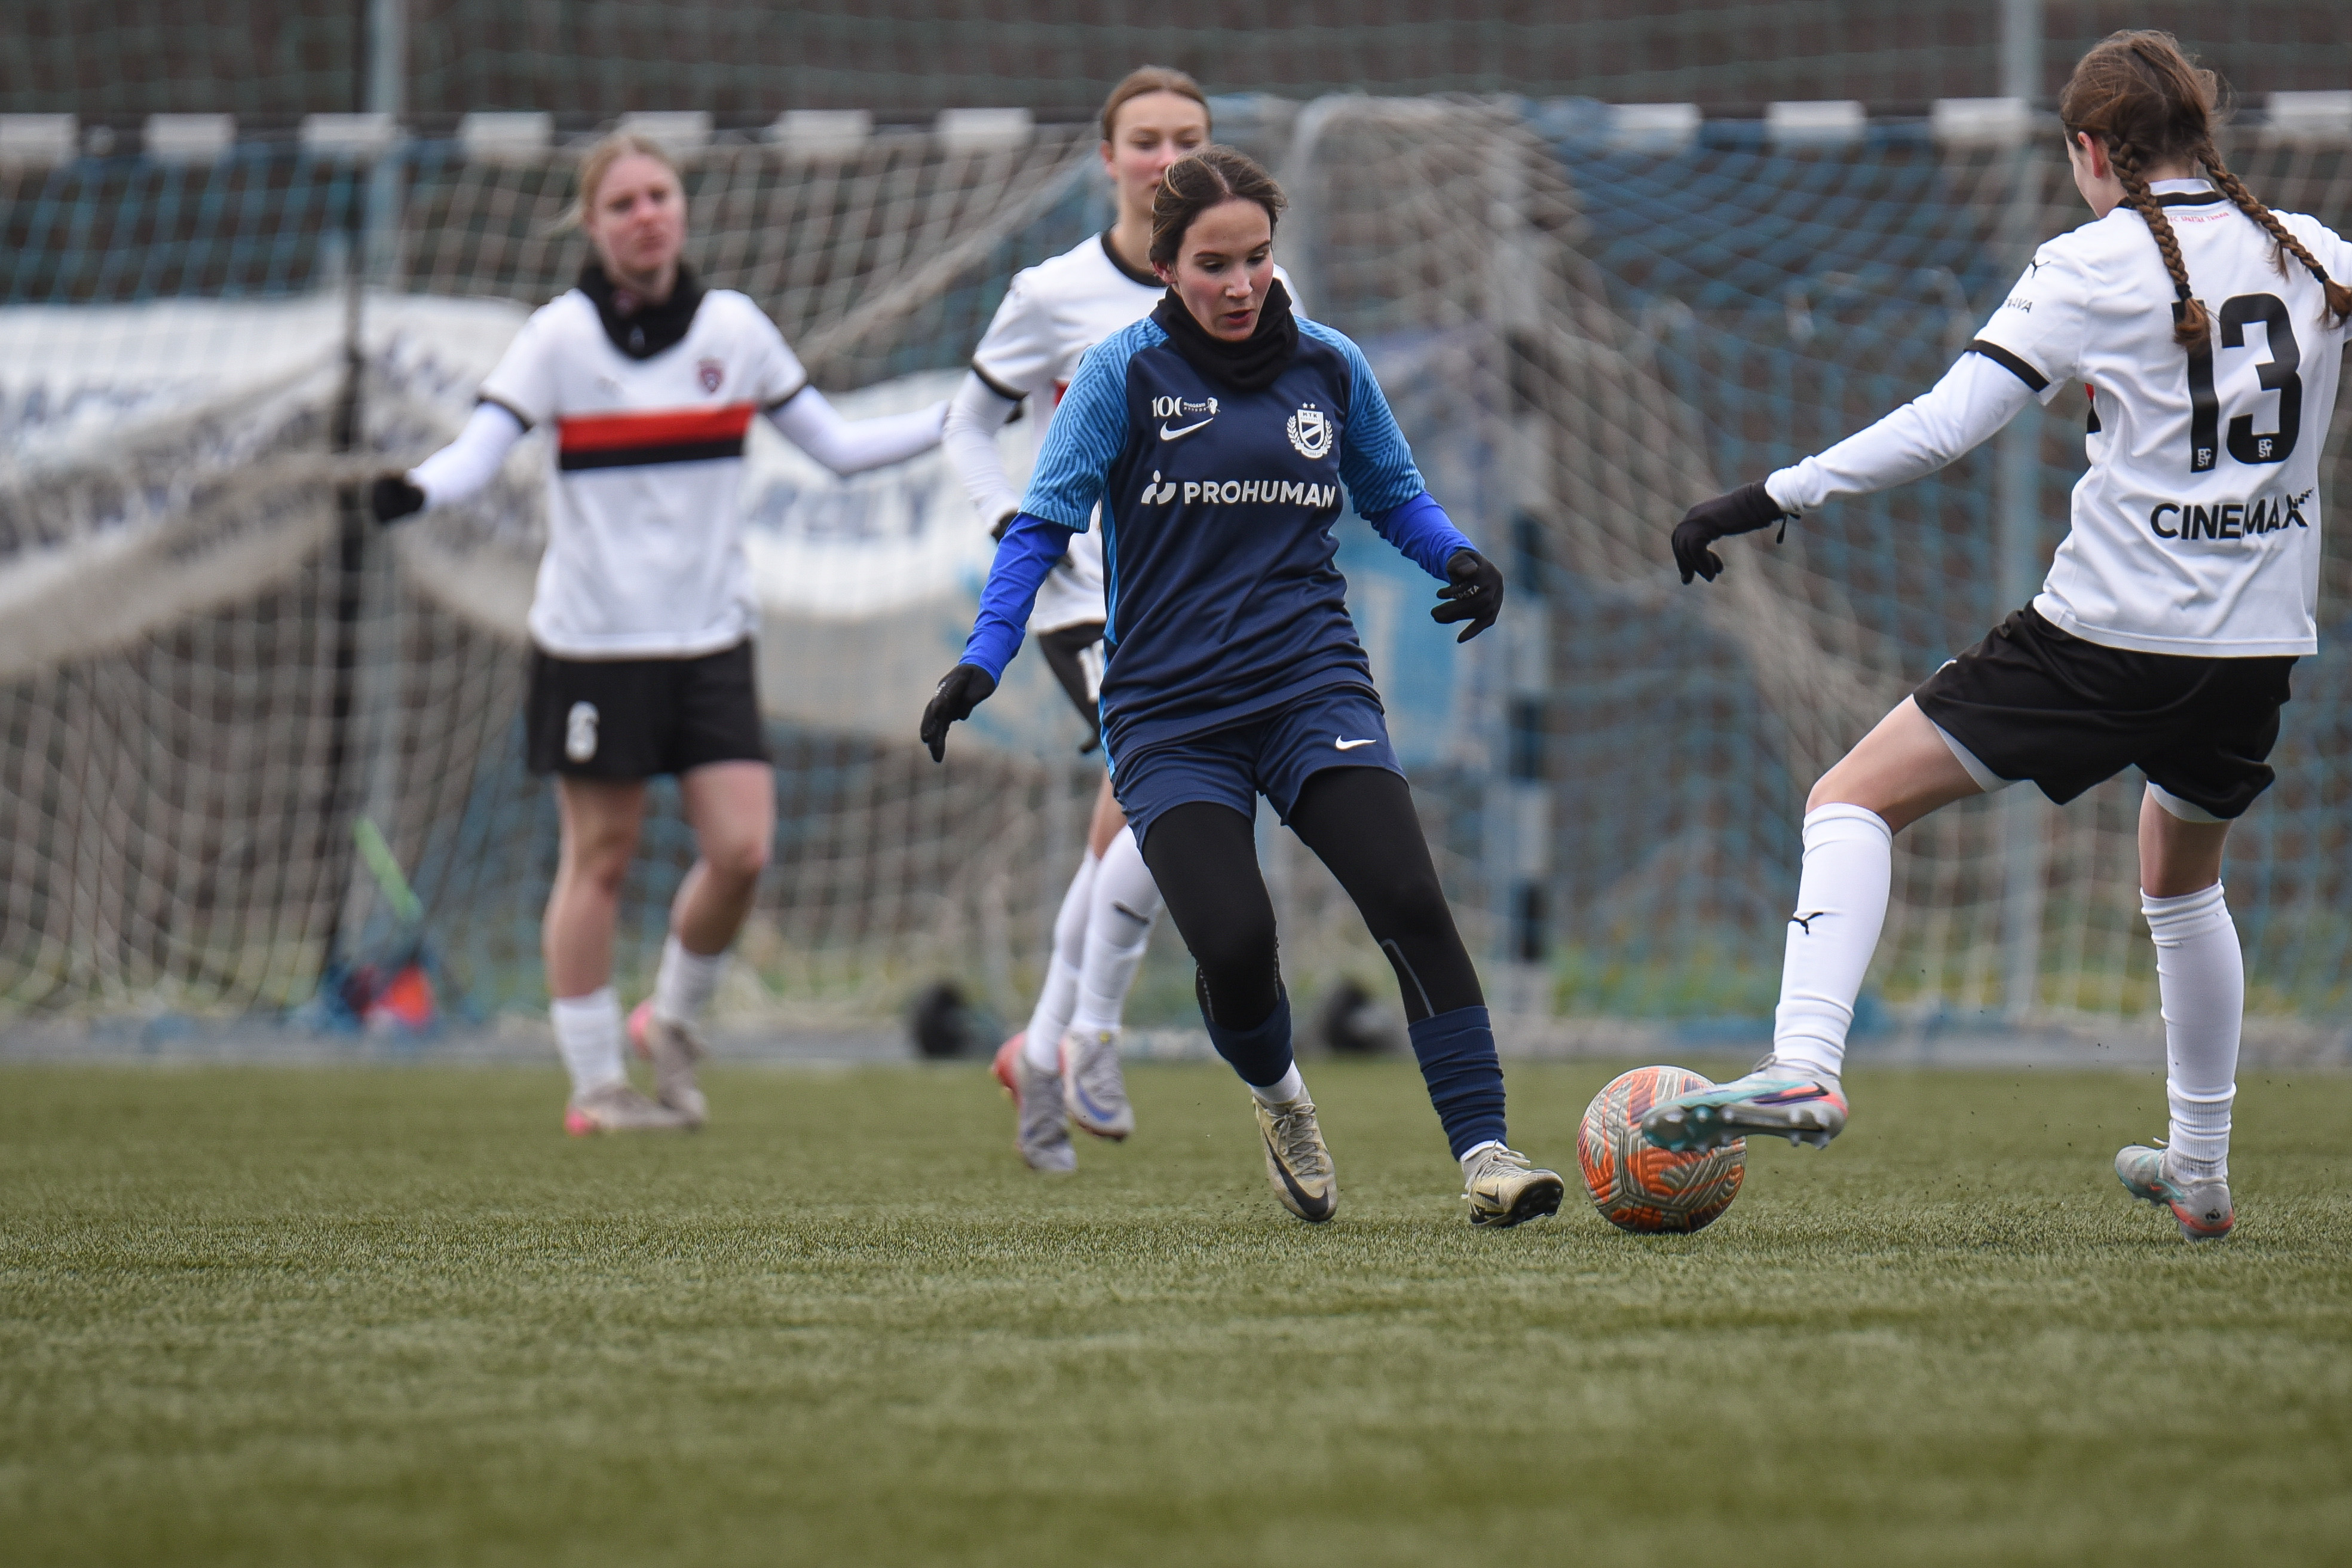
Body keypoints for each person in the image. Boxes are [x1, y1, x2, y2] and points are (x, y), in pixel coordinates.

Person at [1645, 30, 2351, 1242]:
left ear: (2089, 152)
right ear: (2204, 137)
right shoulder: (2316, 250)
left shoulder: (2089, 264)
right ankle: (2200, 1165)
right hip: (2253, 650)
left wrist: (1771, 494)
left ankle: (1806, 1061)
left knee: (1849, 801)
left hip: (2104, 638)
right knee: (2185, 887)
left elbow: (1940, 427)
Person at [922, 147, 1566, 1227]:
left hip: (1311, 685)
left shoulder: (1329, 365)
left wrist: (1457, 556)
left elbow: (1394, 491)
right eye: (1213, 265)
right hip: (1169, 715)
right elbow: (1040, 529)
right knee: (1233, 945)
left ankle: (1488, 1155)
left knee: (1407, 897)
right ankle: (1281, 1100)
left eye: (1258, 259)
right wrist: (984, 659)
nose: (1240, 284)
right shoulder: (1120, 377)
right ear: (1167, 267)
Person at [372, 131, 947, 1134]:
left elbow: (842, 447)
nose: (647, 215)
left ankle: (670, 1019)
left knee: (743, 849)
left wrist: (967, 416)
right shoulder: (559, 339)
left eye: (660, 196)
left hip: (709, 640)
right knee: (599, 857)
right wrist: (415, 489)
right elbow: (478, 451)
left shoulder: (733, 327)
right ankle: (596, 1086)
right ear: (593, 227)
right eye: (624, 203)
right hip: (594, 646)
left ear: (683, 210)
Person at [944, 68, 1308, 1174]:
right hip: (1096, 603)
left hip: (1218, 608)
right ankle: (1084, 1036)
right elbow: (968, 426)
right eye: (1145, 140)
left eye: (1186, 137)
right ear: (1108, 159)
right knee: (1162, 810)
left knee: (1128, 832)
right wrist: (1013, 519)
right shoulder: (1053, 293)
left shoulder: (1248, 278)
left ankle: (1046, 1046)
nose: (1165, 157)